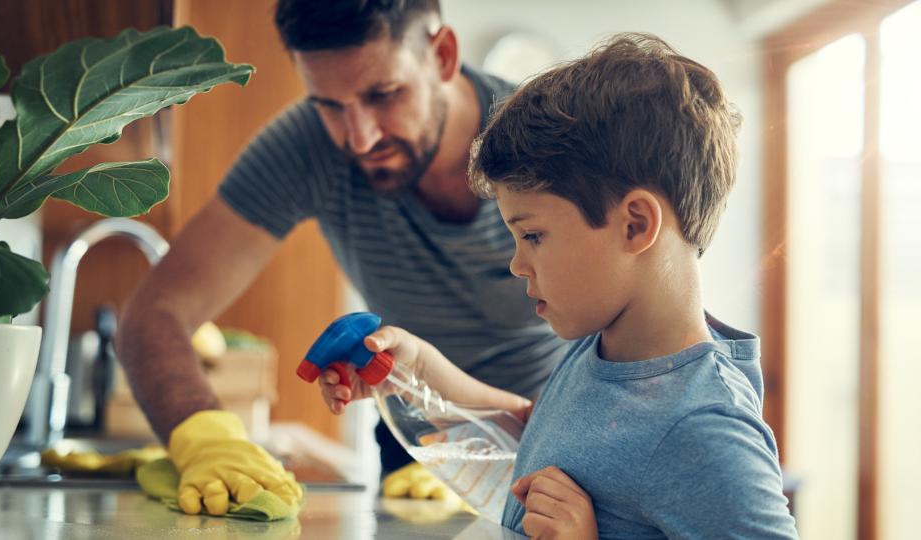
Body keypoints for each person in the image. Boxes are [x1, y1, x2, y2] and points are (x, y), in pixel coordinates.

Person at [321, 33, 799, 538]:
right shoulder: (604, 348)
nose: (517, 265)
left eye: (533, 235)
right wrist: (417, 373)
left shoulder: (703, 428)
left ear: (635, 224)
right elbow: (543, 437)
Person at [115, 0, 568, 516]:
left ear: (441, 55)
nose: (359, 137)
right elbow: (155, 314)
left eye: (384, 94)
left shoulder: (546, 142)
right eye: (328, 104)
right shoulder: (305, 146)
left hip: (559, 441)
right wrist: (207, 437)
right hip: (418, 452)